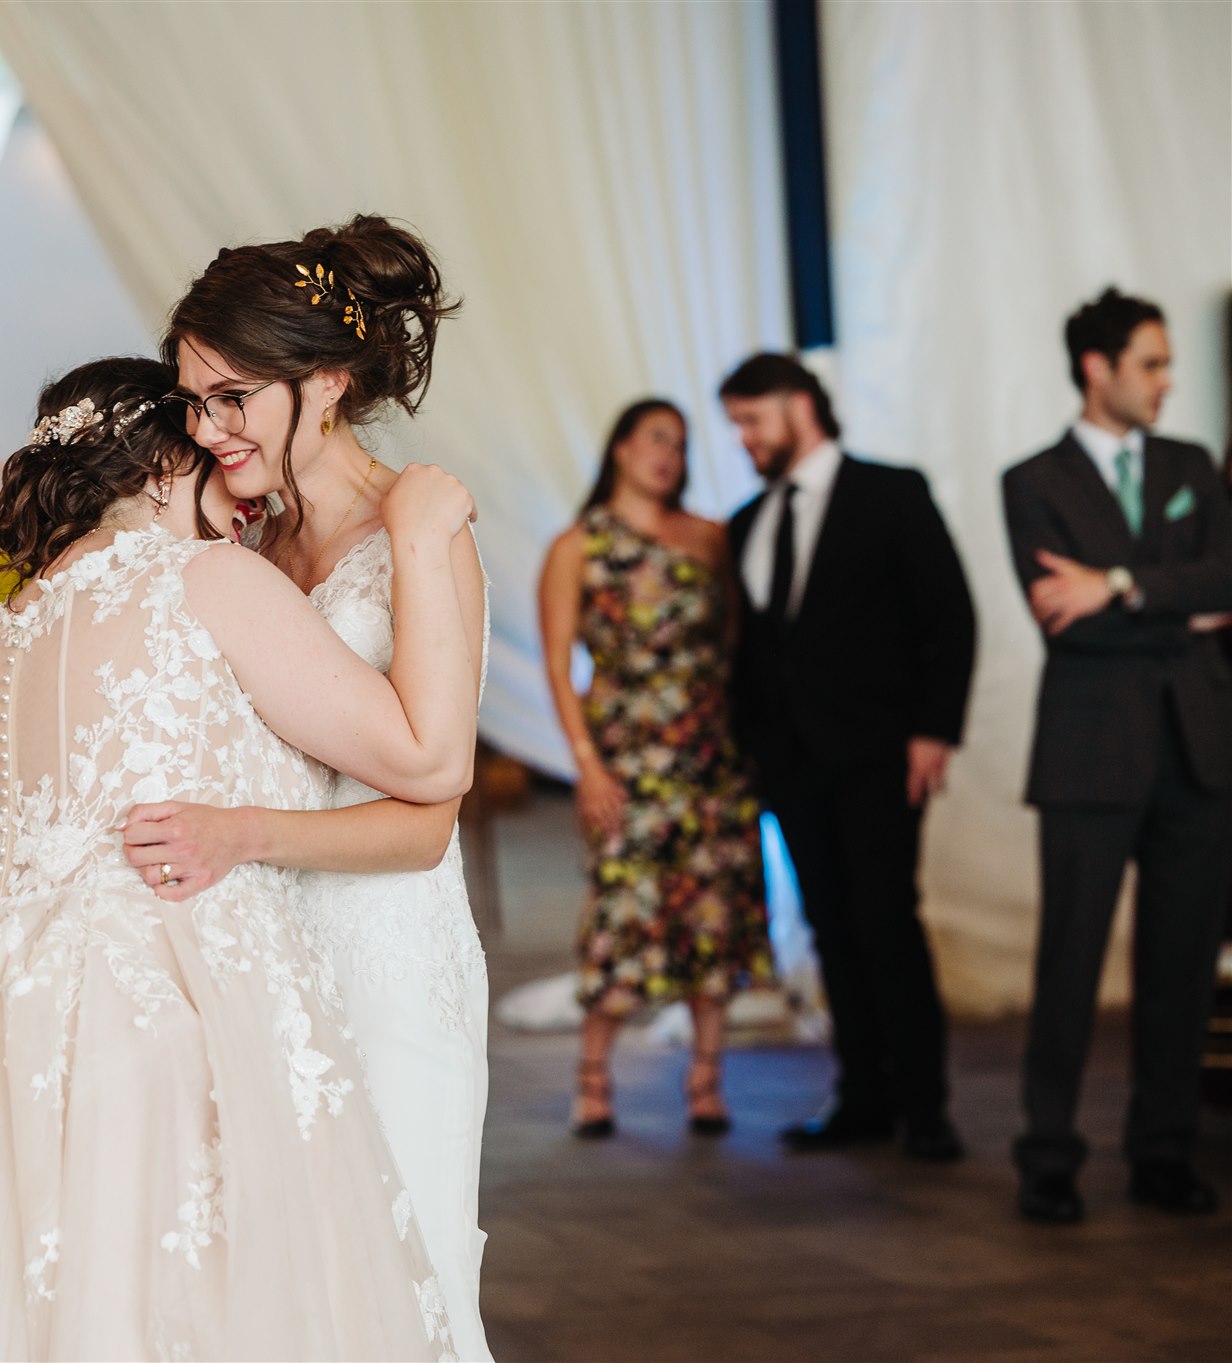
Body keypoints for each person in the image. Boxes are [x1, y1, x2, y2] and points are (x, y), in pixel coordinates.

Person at [0, 358, 482, 1362]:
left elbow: (30, 832)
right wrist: (420, 531)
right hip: (165, 1009)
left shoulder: (8, 625)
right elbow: (419, 758)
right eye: (210, 433)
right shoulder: (208, 580)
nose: (235, 462)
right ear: (170, 458)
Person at [110, 215, 493, 1359]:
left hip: (382, 956)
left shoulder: (419, 533)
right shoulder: (247, 542)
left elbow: (427, 821)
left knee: (393, 1280)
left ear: (323, 383)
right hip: (248, 955)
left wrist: (240, 832)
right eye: (194, 400)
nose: (209, 429)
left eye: (234, 397)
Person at [1000, 287, 1232, 1225]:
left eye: (1169, 362)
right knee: (1071, 960)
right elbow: (1063, 623)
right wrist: (1183, 610)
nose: (1168, 381)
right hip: (1089, 753)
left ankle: (1163, 1150)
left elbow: (1230, 576)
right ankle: (1048, 1155)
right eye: (1152, 363)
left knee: (1180, 965)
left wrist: (1124, 585)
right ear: (1098, 369)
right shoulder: (1033, 479)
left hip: (1201, 751)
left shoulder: (1190, 464)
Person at [720, 353, 976, 1163]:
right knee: (832, 927)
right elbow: (757, 653)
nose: (745, 439)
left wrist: (935, 731)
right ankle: (863, 1094)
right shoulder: (746, 522)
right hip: (791, 766)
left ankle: (926, 1108)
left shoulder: (891, 493)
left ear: (800, 407)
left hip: (879, 754)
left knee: (887, 923)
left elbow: (951, 616)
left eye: (752, 419)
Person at [537, 398, 772, 1139]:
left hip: (711, 758)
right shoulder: (580, 545)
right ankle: (593, 1078)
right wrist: (587, 764)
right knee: (623, 912)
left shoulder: (711, 538)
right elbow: (556, 662)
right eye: (655, 439)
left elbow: (739, 643)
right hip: (627, 759)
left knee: (712, 911)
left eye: (680, 442)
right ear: (621, 448)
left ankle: (706, 1078)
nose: (668, 454)